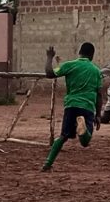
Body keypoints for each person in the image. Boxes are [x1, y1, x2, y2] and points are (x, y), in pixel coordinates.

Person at [41, 43, 103, 172]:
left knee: (63, 136)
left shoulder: (70, 65)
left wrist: (49, 57)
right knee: (85, 142)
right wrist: (98, 115)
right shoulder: (96, 71)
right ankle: (83, 129)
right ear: (92, 55)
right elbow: (99, 94)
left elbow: (49, 73)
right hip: (87, 106)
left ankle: (48, 163)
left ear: (79, 52)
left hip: (71, 105)